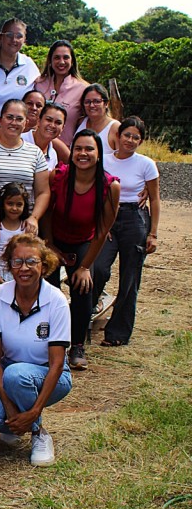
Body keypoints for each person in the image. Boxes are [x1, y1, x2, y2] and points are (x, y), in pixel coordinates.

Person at [0, 234, 72, 467]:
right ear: (9, 266)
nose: (23, 268)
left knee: (17, 375)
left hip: (50, 375)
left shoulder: (56, 300)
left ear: (44, 265)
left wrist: (34, 412)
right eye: (17, 262)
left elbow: (57, 363)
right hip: (9, 371)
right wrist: (8, 406)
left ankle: (39, 434)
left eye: (31, 262)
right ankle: (17, 419)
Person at [45, 129, 120, 371]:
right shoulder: (57, 176)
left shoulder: (110, 186)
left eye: (89, 149)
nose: (83, 153)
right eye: (78, 148)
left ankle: (77, 344)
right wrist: (49, 245)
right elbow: (47, 212)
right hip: (54, 239)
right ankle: (47, 343)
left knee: (83, 287)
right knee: (49, 290)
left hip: (83, 241)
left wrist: (85, 266)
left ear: (99, 154)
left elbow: (102, 231)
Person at [93, 116, 160, 347]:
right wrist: (102, 223)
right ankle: (87, 314)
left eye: (135, 137)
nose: (130, 140)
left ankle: (118, 332)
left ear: (140, 141)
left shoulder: (146, 164)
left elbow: (155, 198)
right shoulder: (104, 161)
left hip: (135, 219)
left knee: (130, 277)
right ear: (118, 136)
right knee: (99, 268)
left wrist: (153, 233)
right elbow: (96, 194)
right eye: (127, 135)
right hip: (109, 217)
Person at [0, 99, 51, 233]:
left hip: (23, 226)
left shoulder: (35, 153)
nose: (14, 122)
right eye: (9, 117)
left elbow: (43, 192)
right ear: (0, 120)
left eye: (19, 119)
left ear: (26, 123)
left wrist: (34, 218)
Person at [32, 40, 90, 144]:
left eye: (66, 57)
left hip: (65, 151)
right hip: (36, 147)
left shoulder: (83, 89)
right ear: (50, 60)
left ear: (72, 61)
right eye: (57, 57)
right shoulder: (38, 84)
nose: (61, 62)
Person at [0, 183, 30, 289]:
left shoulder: (26, 228)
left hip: (20, 278)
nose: (14, 208)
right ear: (2, 203)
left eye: (19, 204)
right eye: (10, 203)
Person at [21, 103, 71, 180]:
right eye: (48, 120)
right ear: (39, 121)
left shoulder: (53, 155)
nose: (52, 125)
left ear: (62, 128)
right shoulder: (19, 140)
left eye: (58, 123)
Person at [75, 83, 119, 154]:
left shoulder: (115, 128)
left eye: (97, 101)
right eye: (87, 102)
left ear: (106, 103)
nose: (92, 105)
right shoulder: (80, 122)